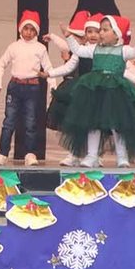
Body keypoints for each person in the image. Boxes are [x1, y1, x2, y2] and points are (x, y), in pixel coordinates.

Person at [52, 15, 135, 168]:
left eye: (105, 30)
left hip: (116, 93)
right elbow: (78, 50)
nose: (101, 33)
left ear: (116, 34)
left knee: (117, 125)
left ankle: (122, 157)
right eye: (100, 29)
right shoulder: (94, 49)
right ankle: (92, 156)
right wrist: (68, 36)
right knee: (93, 124)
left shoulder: (123, 50)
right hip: (97, 91)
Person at [0, 11, 50, 166]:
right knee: (9, 121)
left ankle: (30, 154)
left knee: (30, 122)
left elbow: (48, 69)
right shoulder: (14, 47)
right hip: (15, 86)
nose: (28, 32)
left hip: (32, 87)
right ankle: (2, 153)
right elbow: (0, 64)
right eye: (26, 28)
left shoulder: (40, 48)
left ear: (36, 32)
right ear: (20, 29)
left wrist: (53, 88)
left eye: (32, 29)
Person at [50, 11, 100, 167]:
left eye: (96, 31)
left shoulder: (105, 50)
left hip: (98, 90)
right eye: (89, 32)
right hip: (82, 90)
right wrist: (49, 73)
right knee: (77, 122)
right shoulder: (81, 50)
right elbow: (68, 67)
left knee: (95, 125)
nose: (92, 35)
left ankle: (94, 155)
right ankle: (74, 153)